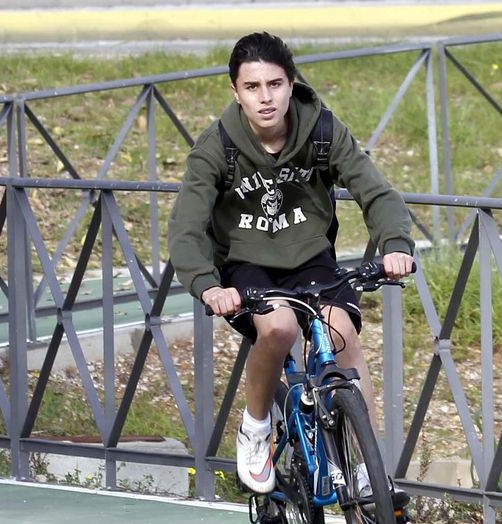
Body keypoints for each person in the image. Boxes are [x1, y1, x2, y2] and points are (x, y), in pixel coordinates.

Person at [169, 31, 415, 496]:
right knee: (279, 329)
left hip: (310, 258)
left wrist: (395, 244)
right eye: (253, 87)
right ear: (236, 91)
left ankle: (366, 470)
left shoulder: (321, 129)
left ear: (291, 83)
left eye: (275, 84)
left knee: (341, 333)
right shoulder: (216, 147)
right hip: (246, 269)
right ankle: (256, 429)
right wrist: (207, 285)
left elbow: (375, 190)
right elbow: (186, 228)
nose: (266, 98)